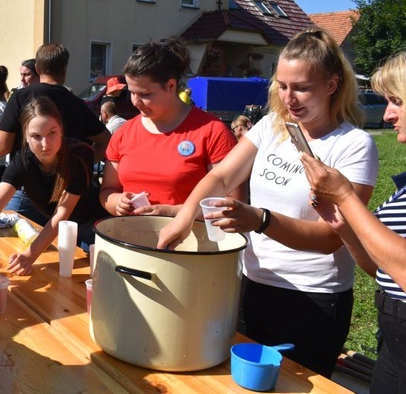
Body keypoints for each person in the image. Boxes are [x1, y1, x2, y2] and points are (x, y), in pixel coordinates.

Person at [157, 28, 379, 377]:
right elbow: (221, 177)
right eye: (282, 85)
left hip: (313, 300)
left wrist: (260, 220)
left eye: (302, 87)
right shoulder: (273, 125)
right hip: (253, 284)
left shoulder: (353, 145)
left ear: (332, 85)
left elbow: (330, 237)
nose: (289, 98)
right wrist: (184, 218)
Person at [300, 51, 406, 392]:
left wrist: (346, 197)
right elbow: (385, 269)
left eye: (398, 101)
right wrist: (343, 226)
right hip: (394, 335)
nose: (388, 113)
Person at [0, 96, 107, 275]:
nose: (45, 144)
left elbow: (61, 214)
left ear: (61, 130)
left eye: (52, 133)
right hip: (57, 227)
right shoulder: (23, 162)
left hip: (90, 228)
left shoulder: (79, 156)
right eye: (36, 136)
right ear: (25, 136)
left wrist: (29, 255)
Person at [99, 39, 238, 218]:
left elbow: (232, 204)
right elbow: (107, 191)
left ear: (171, 86)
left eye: (145, 94)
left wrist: (173, 212)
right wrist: (117, 202)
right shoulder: (124, 133)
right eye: (132, 92)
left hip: (190, 242)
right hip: (132, 239)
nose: (135, 101)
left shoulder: (213, 132)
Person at [0, 43, 110, 226]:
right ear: (65, 69)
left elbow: (1, 148)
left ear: (38, 68)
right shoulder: (77, 102)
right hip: (69, 189)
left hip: (29, 186)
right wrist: (87, 162)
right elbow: (105, 140)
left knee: (15, 241)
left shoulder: (20, 97)